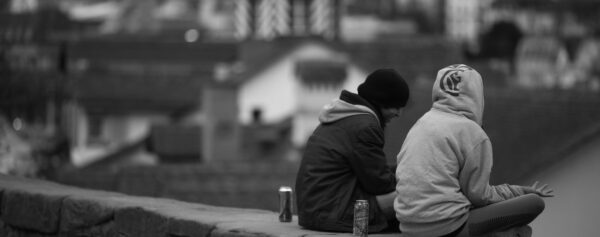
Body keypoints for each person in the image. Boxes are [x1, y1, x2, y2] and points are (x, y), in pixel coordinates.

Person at [394, 64, 554, 237]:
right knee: (533, 203)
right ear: (476, 95)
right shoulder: (472, 132)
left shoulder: (422, 123)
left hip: (408, 226)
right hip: (446, 226)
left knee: (515, 229)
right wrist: (519, 191)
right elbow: (479, 196)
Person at [295, 68, 410, 233]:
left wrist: (403, 170)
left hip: (316, 211)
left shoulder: (343, 117)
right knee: (419, 195)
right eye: (396, 106)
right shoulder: (365, 126)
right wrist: (413, 176)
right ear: (380, 101)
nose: (399, 113)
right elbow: (379, 184)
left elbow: (368, 171)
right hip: (337, 213)